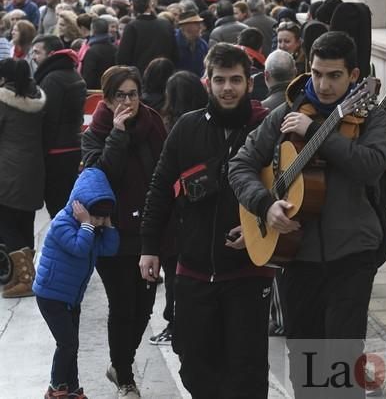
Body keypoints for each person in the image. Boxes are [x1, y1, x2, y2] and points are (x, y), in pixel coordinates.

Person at [228, 31, 386, 398]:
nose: (324, 83)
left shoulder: (369, 116)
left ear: (354, 75)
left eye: (334, 75)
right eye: (317, 73)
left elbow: (372, 165)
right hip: (296, 257)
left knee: (343, 361)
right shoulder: (287, 112)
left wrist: (318, 132)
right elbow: (240, 165)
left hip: (352, 255)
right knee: (305, 364)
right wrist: (263, 205)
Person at [139, 43, 274, 398]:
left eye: (235, 80)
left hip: (248, 272)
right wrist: (149, 246)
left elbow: (287, 194)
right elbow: (159, 188)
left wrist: (258, 228)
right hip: (194, 270)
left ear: (249, 82)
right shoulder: (187, 127)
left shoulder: (266, 129)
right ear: (207, 82)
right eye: (220, 80)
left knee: (246, 370)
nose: (227, 88)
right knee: (196, 366)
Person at [81, 65, 167, 398]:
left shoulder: (153, 122)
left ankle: (121, 364)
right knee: (122, 305)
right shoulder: (97, 130)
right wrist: (117, 134)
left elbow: (165, 168)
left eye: (133, 94)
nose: (128, 101)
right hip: (113, 233)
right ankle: (126, 375)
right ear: (107, 98)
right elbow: (102, 174)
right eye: (120, 95)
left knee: (144, 306)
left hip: (148, 229)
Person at [33, 167, 120, 399]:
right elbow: (79, 249)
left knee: (72, 345)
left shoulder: (92, 230)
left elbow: (110, 249)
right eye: (97, 216)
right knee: (67, 344)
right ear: (81, 208)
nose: (99, 222)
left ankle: (71, 388)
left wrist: (107, 225)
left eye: (104, 217)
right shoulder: (62, 223)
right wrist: (87, 224)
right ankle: (55, 388)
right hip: (51, 295)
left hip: (71, 297)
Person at [148, 70, 208, 346]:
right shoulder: (206, 125)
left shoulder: (168, 128)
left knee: (175, 270)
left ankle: (174, 321)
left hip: (175, 212)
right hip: (197, 209)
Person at [0, 58, 46, 298]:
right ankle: (25, 276)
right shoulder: (37, 97)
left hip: (8, 171)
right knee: (25, 220)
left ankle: (25, 279)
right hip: (34, 169)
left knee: (5, 220)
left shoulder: (3, 100)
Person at [32, 35, 87, 219]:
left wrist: (42, 152)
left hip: (56, 151)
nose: (34, 57)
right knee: (65, 203)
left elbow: (49, 119)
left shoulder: (52, 79)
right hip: (72, 146)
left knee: (58, 206)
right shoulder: (72, 73)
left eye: (37, 52)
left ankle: (67, 243)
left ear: (51, 54)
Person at [117, 0, 177, 75]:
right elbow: (175, 53)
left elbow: (123, 57)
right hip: (165, 73)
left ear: (133, 7)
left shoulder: (132, 26)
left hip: (140, 76)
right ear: (150, 5)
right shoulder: (166, 24)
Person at [80, 17, 117, 90]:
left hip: (95, 92)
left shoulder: (92, 51)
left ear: (92, 31)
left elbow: (88, 76)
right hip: (112, 89)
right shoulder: (115, 49)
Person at [175, 9, 208, 77]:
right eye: (196, 24)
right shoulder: (173, 42)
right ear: (184, 26)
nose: (200, 27)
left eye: (200, 23)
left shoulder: (203, 44)